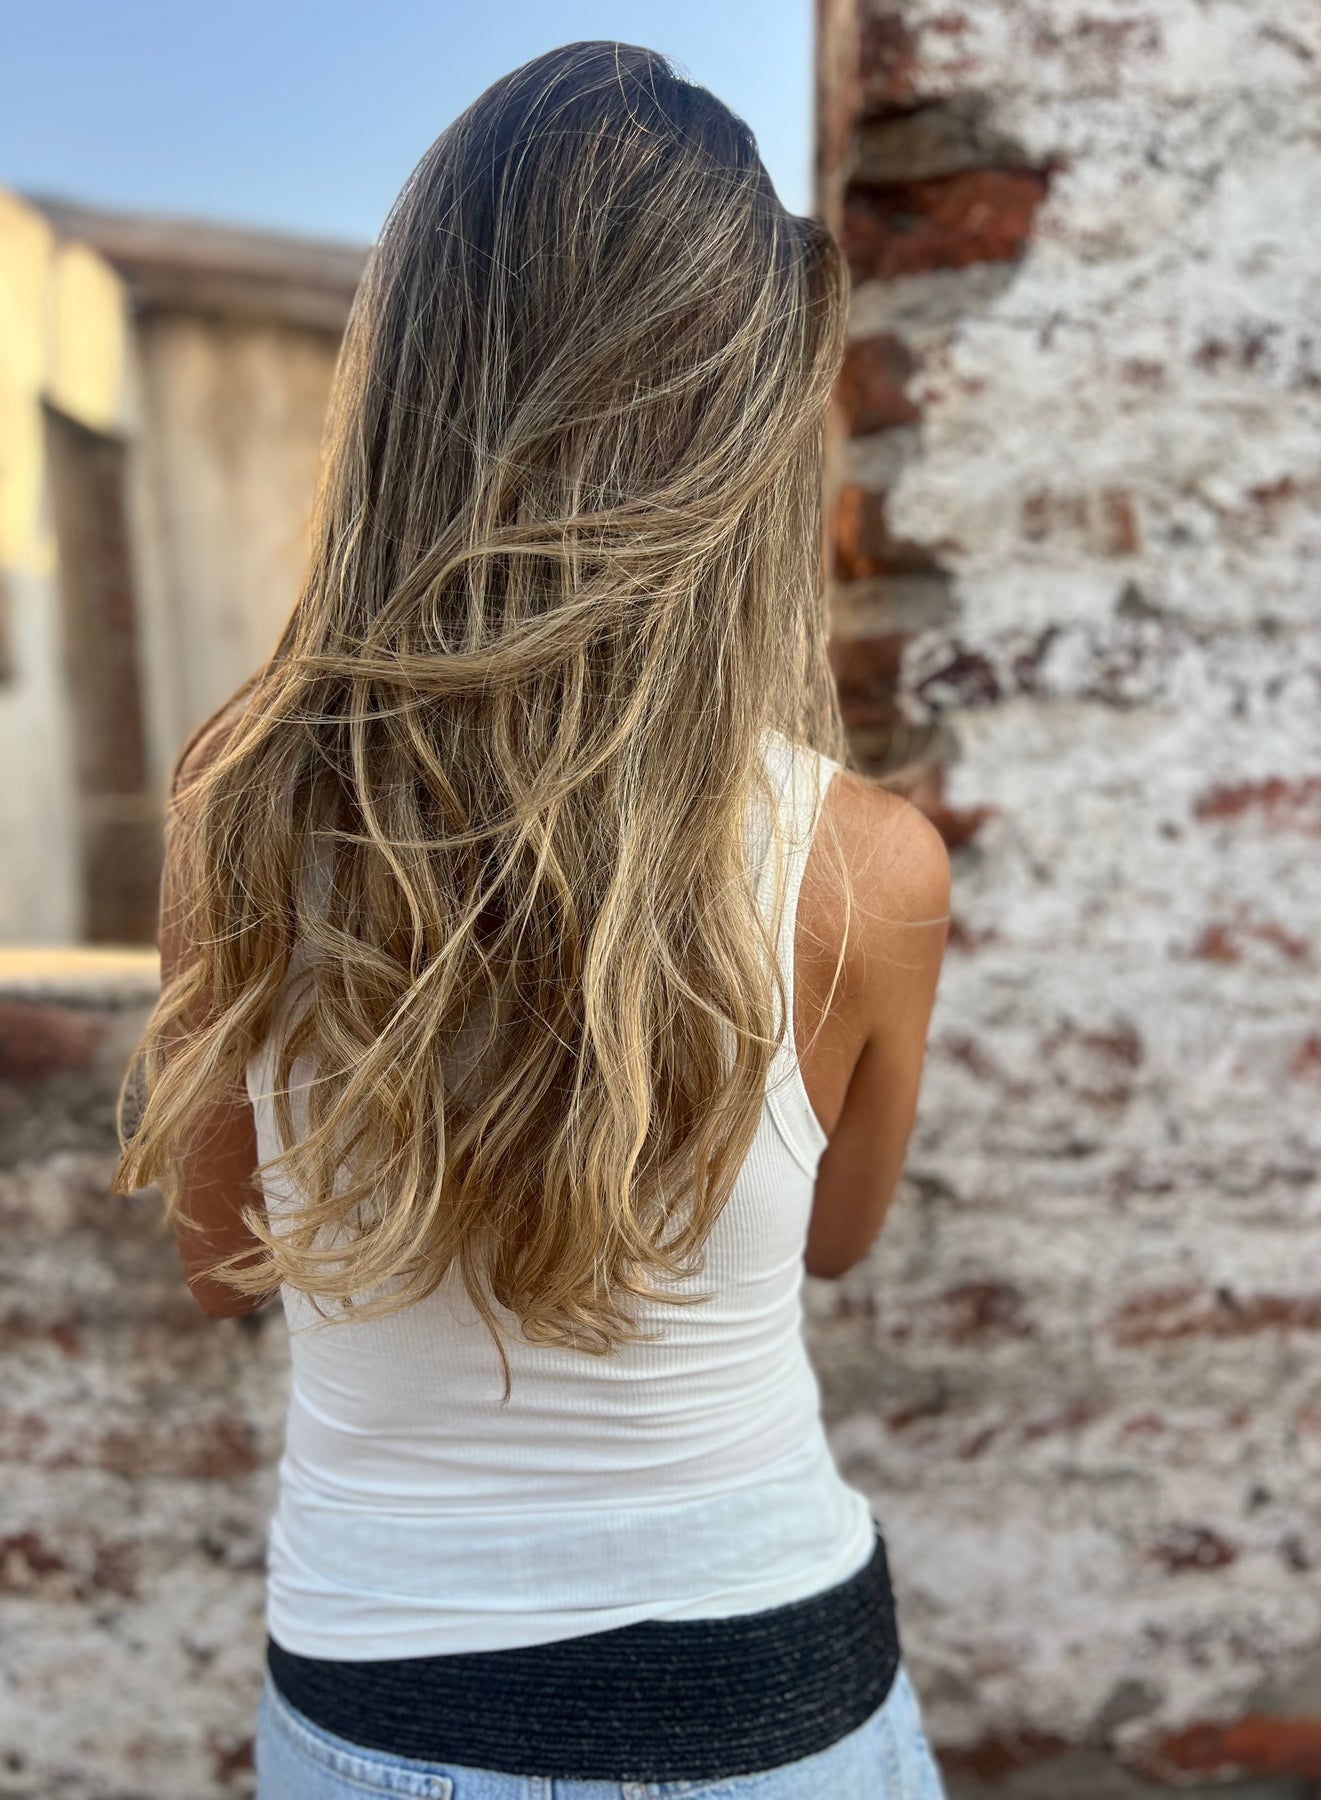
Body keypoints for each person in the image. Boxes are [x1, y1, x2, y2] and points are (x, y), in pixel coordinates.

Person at [114, 39, 952, 1800]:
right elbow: (833, 1240)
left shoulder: (242, 807)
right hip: (782, 1691)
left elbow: (216, 1258)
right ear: (743, 430)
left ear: (412, 377)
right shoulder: (868, 867)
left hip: (393, 1702)